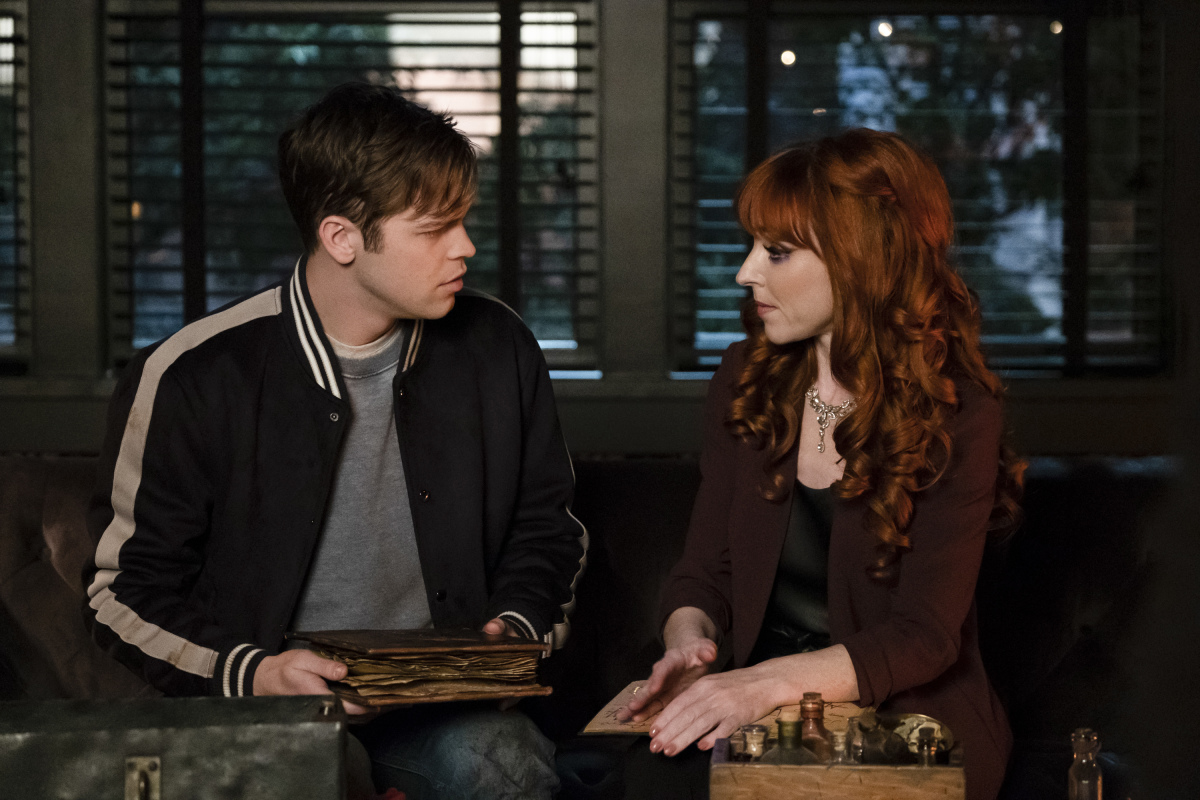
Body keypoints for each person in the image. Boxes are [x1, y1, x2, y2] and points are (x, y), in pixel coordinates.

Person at [83, 82, 587, 800]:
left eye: (464, 221)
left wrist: (511, 636)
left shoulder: (498, 346)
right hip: (266, 714)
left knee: (500, 761)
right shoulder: (191, 374)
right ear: (341, 237)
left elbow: (549, 529)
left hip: (445, 713)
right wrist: (256, 673)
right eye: (435, 229)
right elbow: (122, 592)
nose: (466, 247)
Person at [620, 128, 1023, 800]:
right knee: (647, 778)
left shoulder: (959, 412)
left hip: (902, 711)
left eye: (776, 252)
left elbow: (924, 636)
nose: (746, 272)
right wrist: (689, 642)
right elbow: (704, 571)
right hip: (757, 698)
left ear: (860, 258)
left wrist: (760, 686)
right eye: (753, 246)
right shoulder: (743, 377)